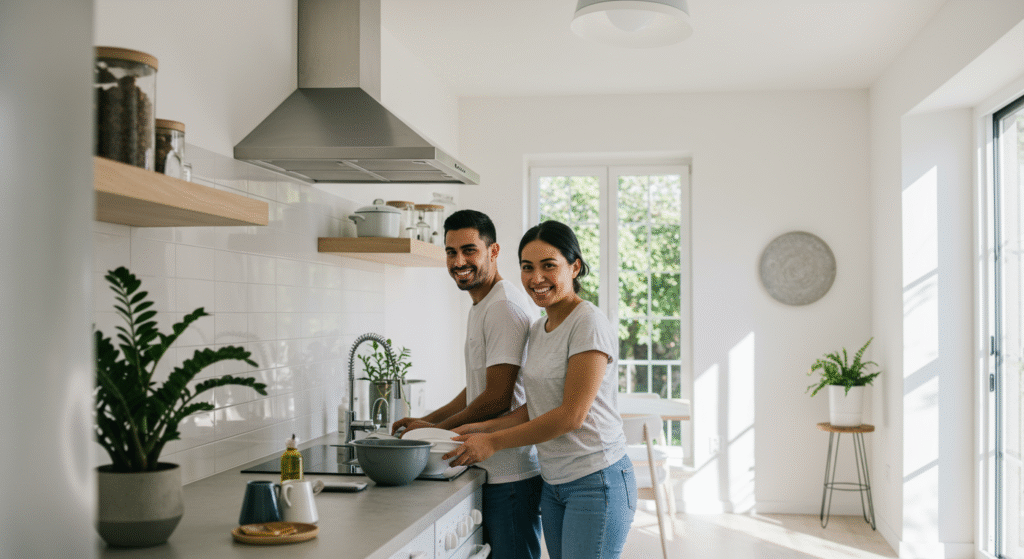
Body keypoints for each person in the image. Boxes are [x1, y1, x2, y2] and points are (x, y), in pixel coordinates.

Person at [444, 220, 637, 559]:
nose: (536, 278)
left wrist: (492, 441)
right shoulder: (539, 328)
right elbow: (535, 406)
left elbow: (570, 416)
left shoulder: (587, 323)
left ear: (574, 267)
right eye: (527, 267)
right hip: (555, 481)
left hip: (597, 479)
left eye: (549, 266)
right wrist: (473, 429)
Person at [391, 209, 543, 559]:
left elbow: (497, 398)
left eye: (469, 250)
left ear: (493, 251)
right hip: (494, 468)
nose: (459, 261)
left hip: (511, 473)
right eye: (451, 251)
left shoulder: (503, 306)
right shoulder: (483, 303)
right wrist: (428, 423)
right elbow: (476, 388)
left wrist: (432, 433)